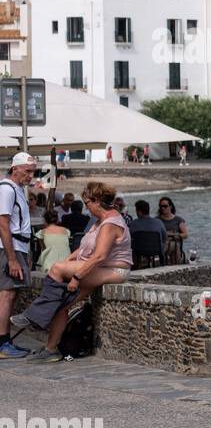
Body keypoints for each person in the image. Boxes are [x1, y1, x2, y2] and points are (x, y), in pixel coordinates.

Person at [18, 180, 133, 362]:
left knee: (56, 269)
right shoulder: (99, 221)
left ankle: (34, 316)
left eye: (87, 203)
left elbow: (99, 256)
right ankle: (51, 349)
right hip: (95, 268)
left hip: (112, 270)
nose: (86, 208)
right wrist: (69, 260)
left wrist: (76, 277)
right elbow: (85, 249)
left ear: (96, 200)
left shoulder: (110, 223)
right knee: (62, 304)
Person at [0, 152, 38, 358]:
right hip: (9, 249)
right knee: (7, 294)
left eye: (33, 171)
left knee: (10, 294)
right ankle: (2, 343)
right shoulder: (7, 190)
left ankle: (5, 341)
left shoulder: (16, 190)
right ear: (15, 169)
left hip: (17, 248)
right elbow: (3, 224)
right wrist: (13, 258)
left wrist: (24, 254)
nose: (31, 176)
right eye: (28, 171)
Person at [128, 200, 169, 267]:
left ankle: (135, 267)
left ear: (139, 212)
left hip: (139, 251)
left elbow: (128, 238)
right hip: (157, 250)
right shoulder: (159, 222)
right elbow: (165, 238)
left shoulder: (133, 224)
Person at [36, 209, 70, 273]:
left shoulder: (42, 232)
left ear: (45, 220)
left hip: (50, 265)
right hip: (66, 262)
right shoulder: (65, 231)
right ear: (57, 220)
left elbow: (43, 249)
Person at [156, 196, 187, 263]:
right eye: (161, 206)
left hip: (174, 243)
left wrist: (173, 235)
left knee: (175, 245)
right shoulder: (157, 220)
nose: (163, 208)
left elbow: (185, 234)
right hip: (161, 244)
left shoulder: (178, 220)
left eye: (165, 206)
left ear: (170, 206)